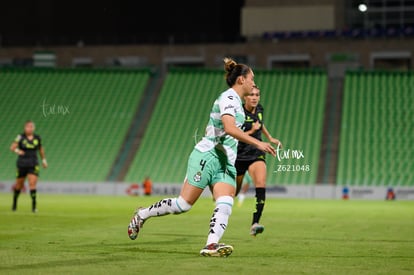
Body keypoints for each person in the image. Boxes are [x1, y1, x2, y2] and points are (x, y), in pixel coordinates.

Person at [127, 57, 276, 257]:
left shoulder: (239, 105)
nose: (253, 83)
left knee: (225, 202)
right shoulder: (229, 98)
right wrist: (258, 143)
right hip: (208, 155)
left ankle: (211, 244)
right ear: (241, 80)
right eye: (251, 79)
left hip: (225, 163)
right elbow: (230, 128)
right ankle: (142, 214)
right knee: (183, 204)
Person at [235, 85, 282, 236]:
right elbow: (235, 134)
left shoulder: (259, 109)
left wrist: (269, 138)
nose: (254, 97)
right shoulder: (238, 113)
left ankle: (255, 222)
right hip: (240, 154)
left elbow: (260, 124)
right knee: (234, 191)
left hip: (256, 152)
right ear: (245, 97)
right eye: (251, 95)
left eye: (257, 95)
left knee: (261, 183)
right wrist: (252, 131)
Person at [10, 120, 48, 212]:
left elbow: (41, 149)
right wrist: (18, 151)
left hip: (33, 163)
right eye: (27, 126)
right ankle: (14, 204)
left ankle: (34, 207)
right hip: (22, 164)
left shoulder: (37, 138)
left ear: (33, 128)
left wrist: (44, 160)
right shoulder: (20, 137)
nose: (29, 128)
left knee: (32, 183)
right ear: (24, 128)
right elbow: (12, 147)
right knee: (19, 185)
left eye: (31, 127)